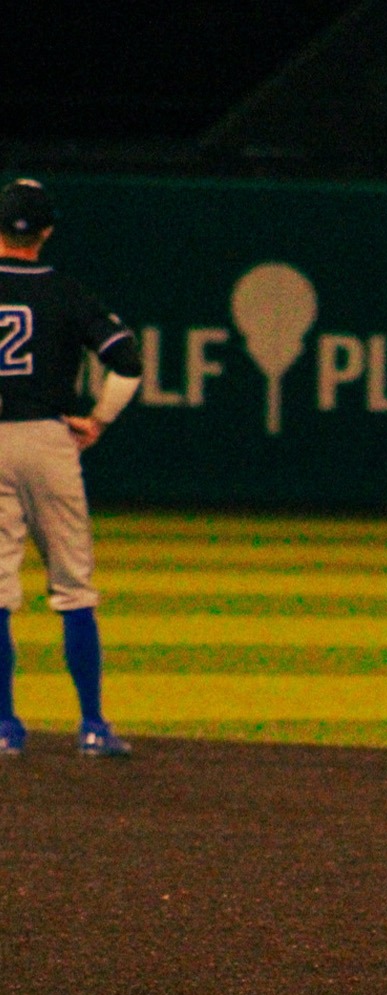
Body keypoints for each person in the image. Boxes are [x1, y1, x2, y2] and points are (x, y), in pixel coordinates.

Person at [0, 178, 144, 758]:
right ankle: (91, 726)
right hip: (48, 439)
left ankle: (5, 726)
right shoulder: (65, 291)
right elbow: (127, 363)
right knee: (74, 586)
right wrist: (98, 421)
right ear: (48, 231)